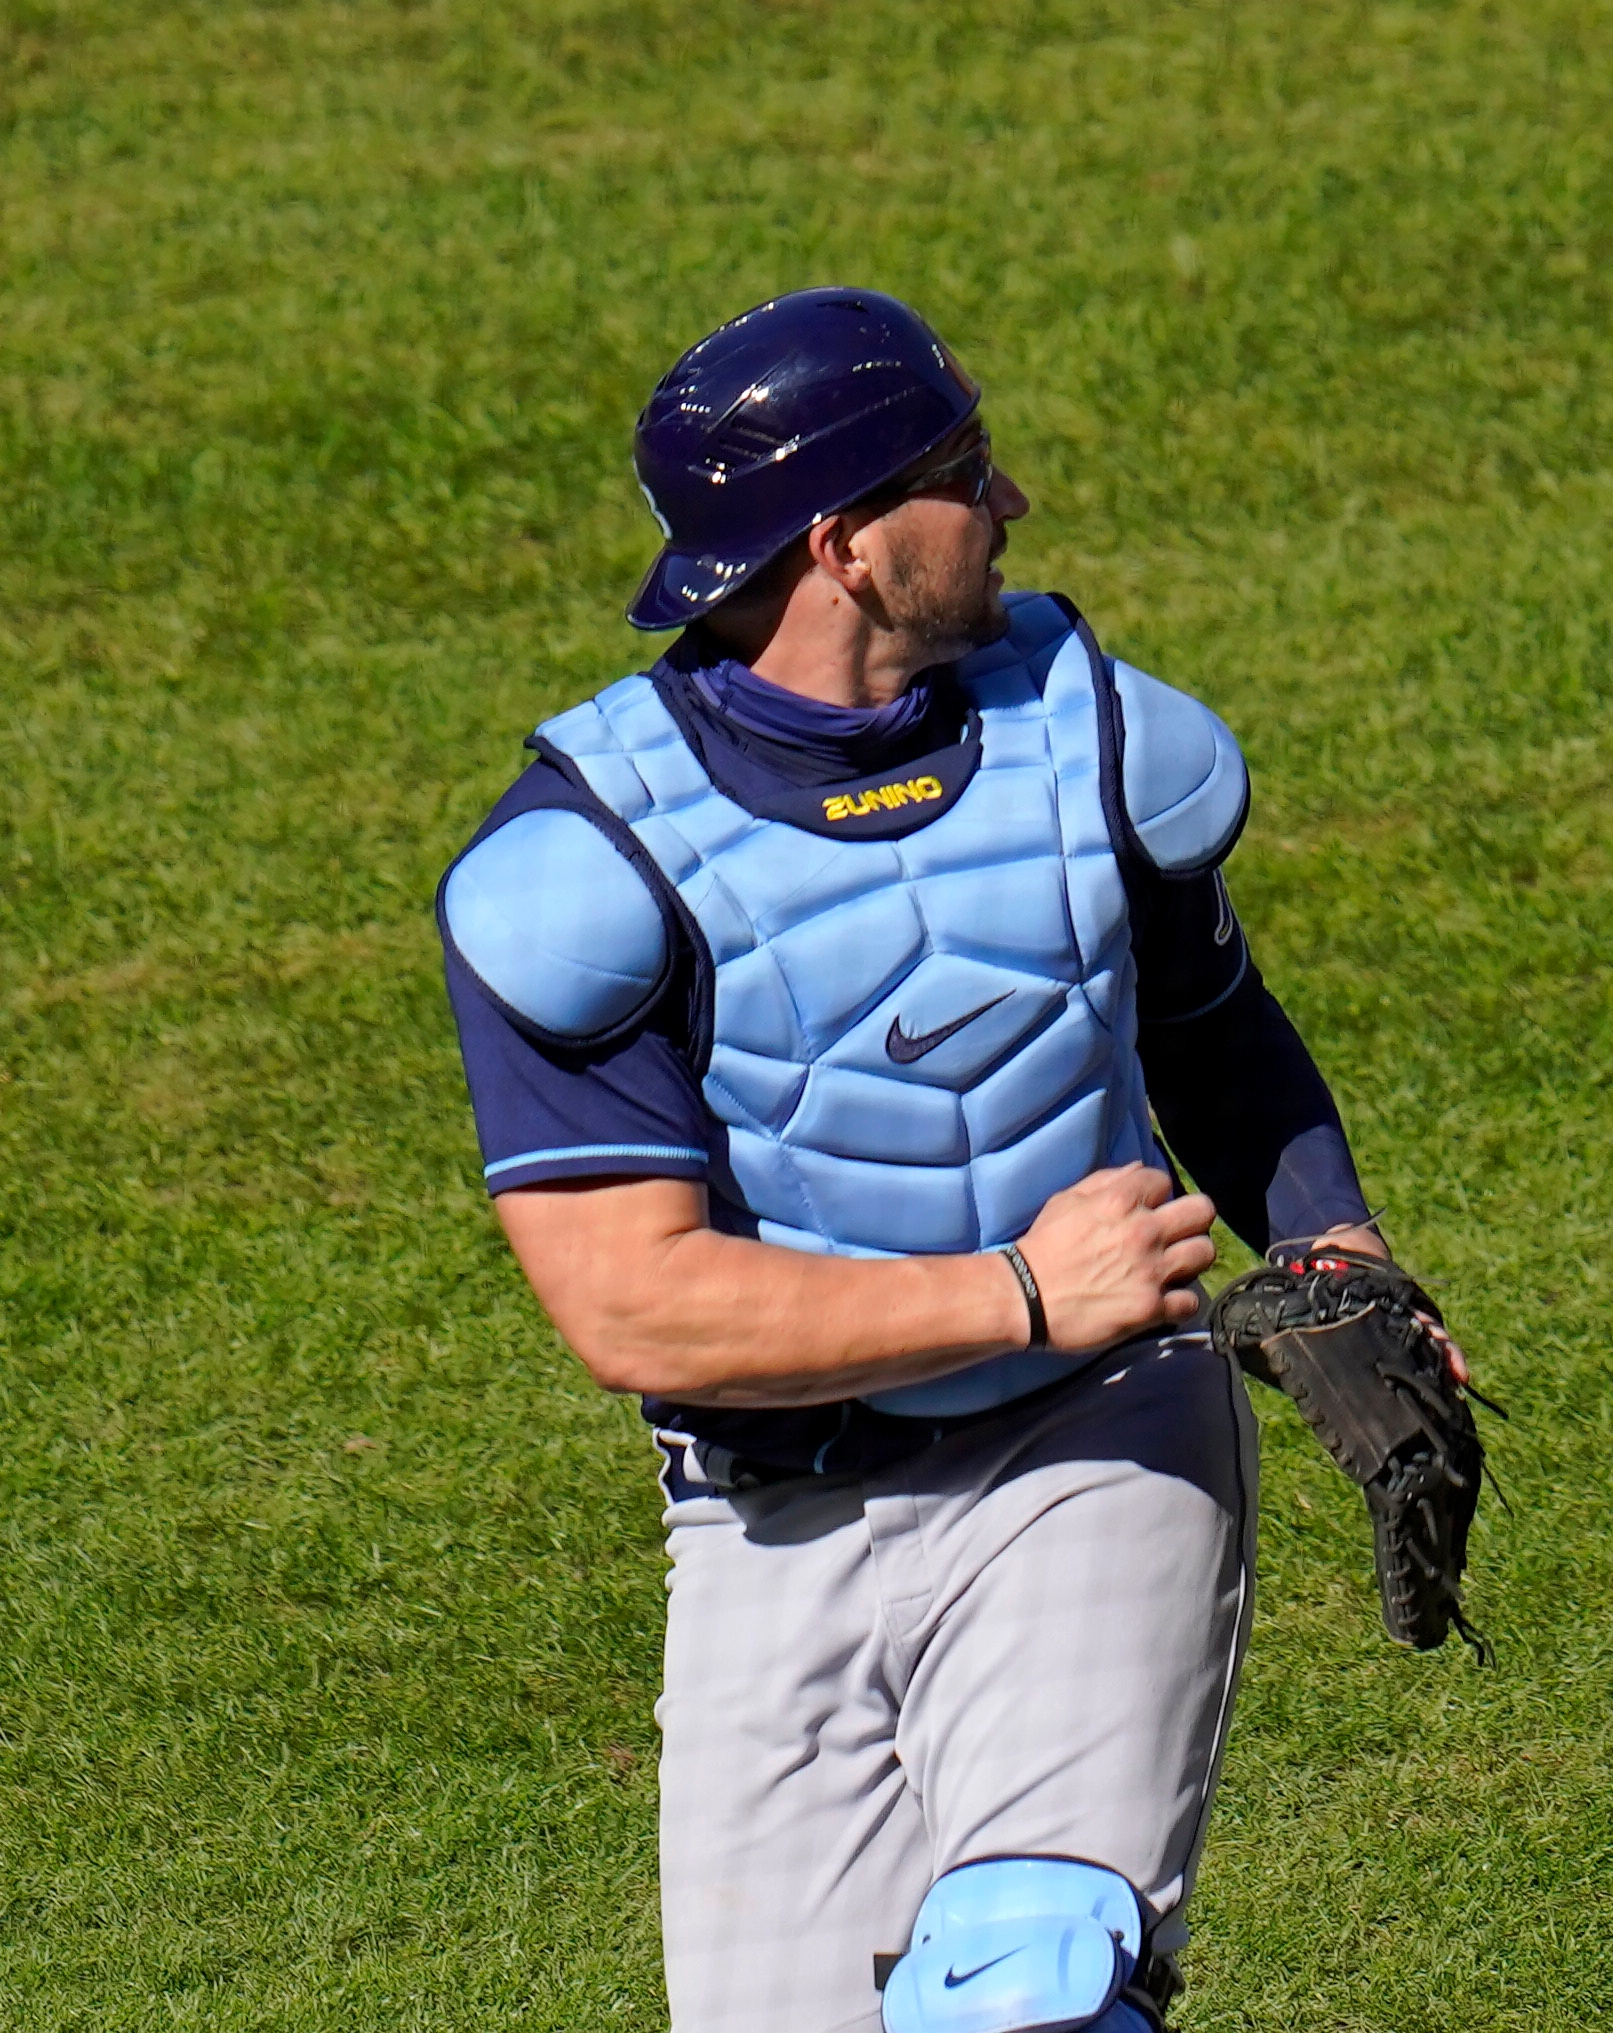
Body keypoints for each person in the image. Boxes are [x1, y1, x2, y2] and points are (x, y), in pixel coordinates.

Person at [438, 288, 1415, 2033]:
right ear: (848, 545)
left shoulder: (1102, 737)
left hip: (1096, 1437)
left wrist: (1332, 1241)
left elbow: (1210, 1026)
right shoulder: (582, 874)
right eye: (965, 468)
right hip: (771, 1523)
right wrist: (1023, 1288)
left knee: (1020, 1995)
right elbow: (635, 1309)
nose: (1014, 500)